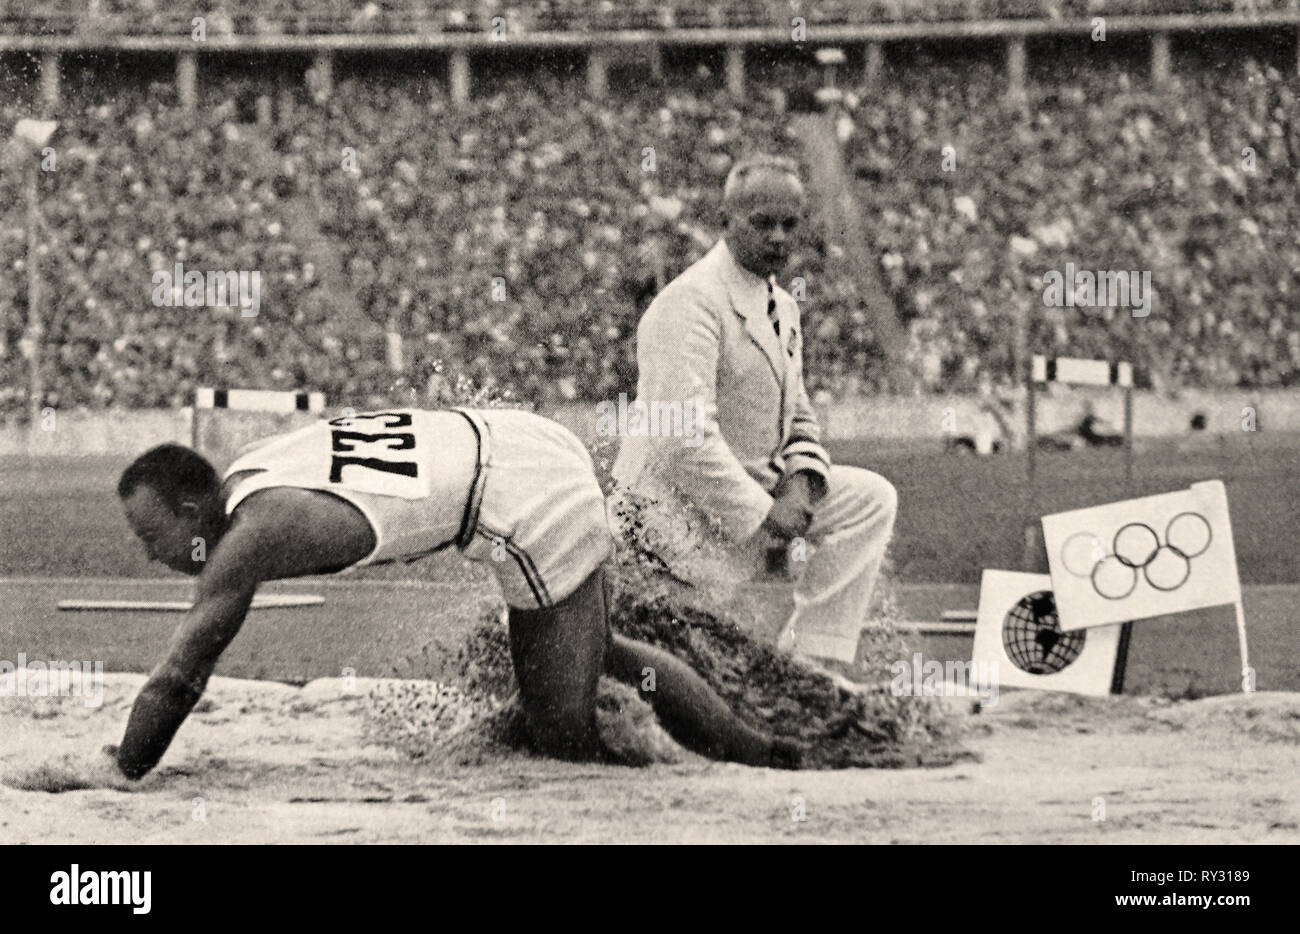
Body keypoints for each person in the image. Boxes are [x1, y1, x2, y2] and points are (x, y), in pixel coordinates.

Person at [102, 406, 801, 780]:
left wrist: (116, 769)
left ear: (192, 513)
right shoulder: (256, 469)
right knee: (602, 649)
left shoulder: (251, 535)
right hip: (520, 438)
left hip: (524, 502)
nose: (150, 555)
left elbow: (178, 678)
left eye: (150, 535)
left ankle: (653, 782)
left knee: (561, 735)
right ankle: (759, 750)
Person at [610, 155, 898, 687]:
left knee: (869, 500)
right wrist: (764, 517)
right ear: (725, 219)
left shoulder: (783, 306)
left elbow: (800, 413)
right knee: (679, 682)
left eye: (791, 224)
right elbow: (680, 440)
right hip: (669, 522)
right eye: (762, 222)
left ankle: (813, 666)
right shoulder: (689, 302)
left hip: (750, 496)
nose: (779, 237)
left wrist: (803, 485)